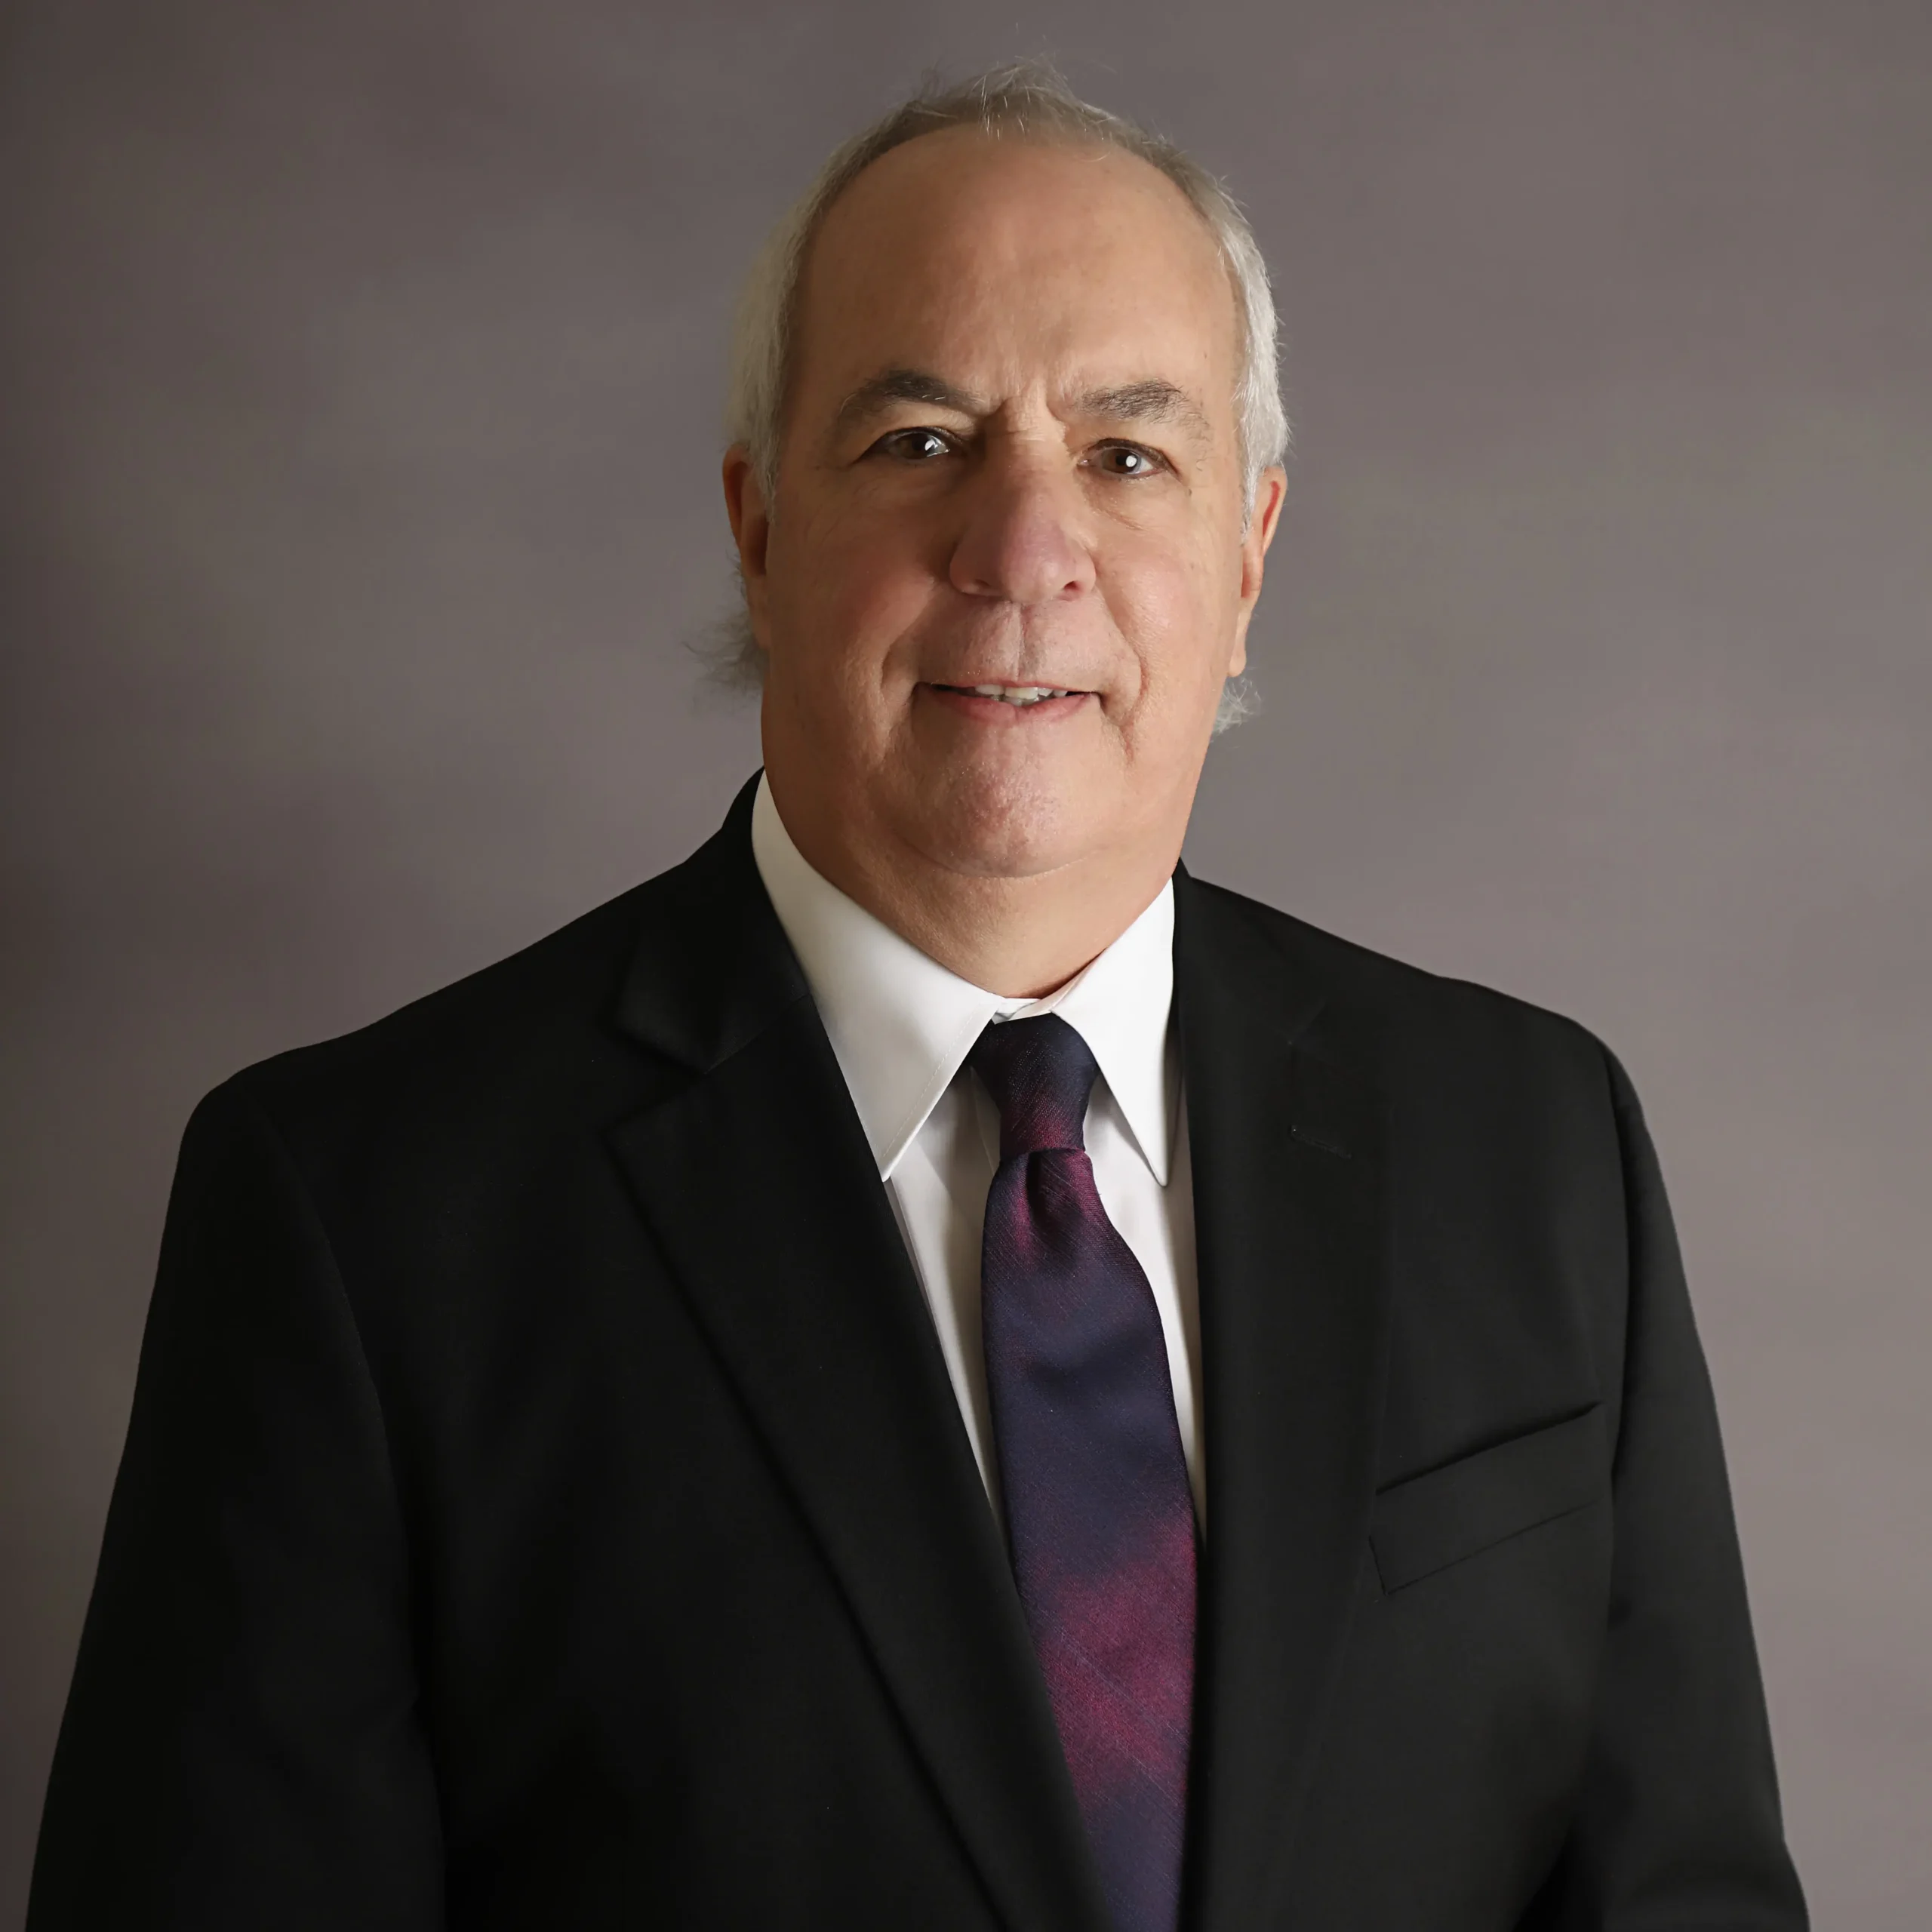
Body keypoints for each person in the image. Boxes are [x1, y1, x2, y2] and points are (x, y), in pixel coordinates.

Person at [28, 62, 1807, 1932]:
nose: (1021, 548)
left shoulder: (1534, 1150)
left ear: (1249, 551)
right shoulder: (365, 1218)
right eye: (920, 439)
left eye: (1126, 452)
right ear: (757, 527)